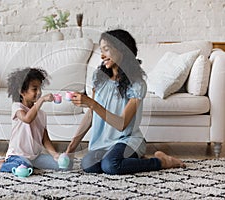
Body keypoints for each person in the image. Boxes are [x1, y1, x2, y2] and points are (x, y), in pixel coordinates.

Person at [65, 29, 186, 175]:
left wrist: (92, 103)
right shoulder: (99, 78)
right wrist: (70, 149)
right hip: (103, 143)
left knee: (111, 166)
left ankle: (161, 161)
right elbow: (91, 115)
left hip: (127, 140)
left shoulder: (137, 84)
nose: (102, 55)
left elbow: (122, 124)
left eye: (107, 50)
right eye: (101, 50)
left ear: (122, 50)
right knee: (89, 165)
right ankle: (132, 160)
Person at [0, 67, 72, 172]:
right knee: (25, 168)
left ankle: (19, 164)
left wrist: (55, 155)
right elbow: (27, 119)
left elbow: (45, 139)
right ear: (22, 92)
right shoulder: (17, 107)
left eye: (39, 89)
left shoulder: (41, 114)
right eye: (34, 89)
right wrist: (41, 100)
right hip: (18, 155)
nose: (39, 92)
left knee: (66, 165)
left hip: (35, 157)